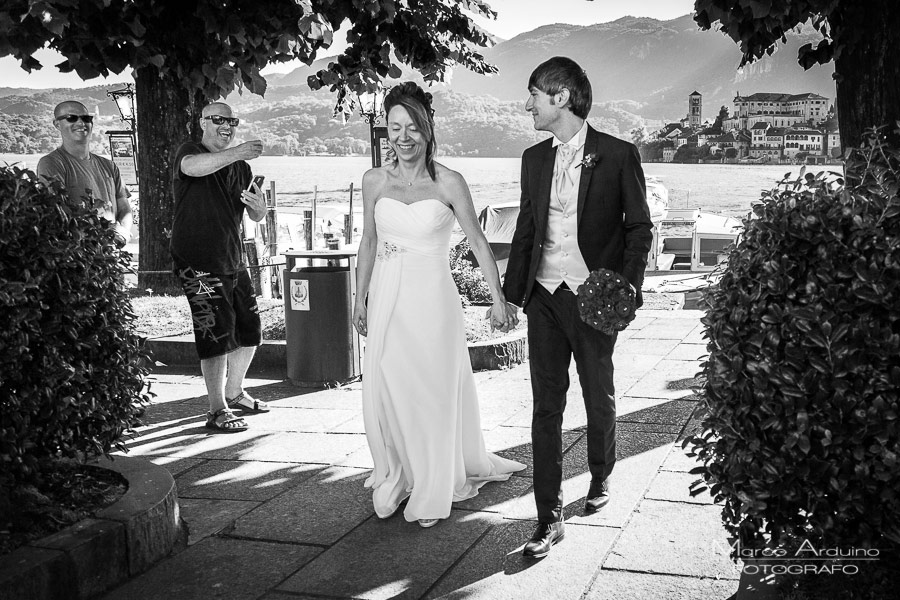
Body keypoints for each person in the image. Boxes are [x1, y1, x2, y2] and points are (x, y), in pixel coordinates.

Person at [352, 82, 525, 528]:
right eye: (394, 128)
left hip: (433, 298)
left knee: (430, 390)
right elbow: (368, 243)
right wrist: (360, 300)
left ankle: (433, 482)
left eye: (412, 127)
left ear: (427, 129)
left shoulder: (449, 181)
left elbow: (479, 241)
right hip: (388, 294)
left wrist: (498, 299)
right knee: (391, 387)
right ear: (385, 131)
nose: (403, 137)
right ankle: (401, 471)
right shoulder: (374, 180)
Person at [503, 57, 654, 558]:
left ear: (561, 97)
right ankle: (548, 516)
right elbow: (527, 228)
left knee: (598, 396)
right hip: (544, 298)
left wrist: (625, 287)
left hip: (594, 298)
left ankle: (601, 473)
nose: (527, 104)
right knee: (546, 406)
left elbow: (639, 228)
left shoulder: (617, 154)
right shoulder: (532, 159)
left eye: (534, 95)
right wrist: (509, 296)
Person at [170, 102, 271, 433]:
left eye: (232, 121)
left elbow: (252, 216)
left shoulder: (240, 168)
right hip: (197, 261)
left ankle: (235, 391)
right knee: (214, 332)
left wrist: (261, 210)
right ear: (202, 122)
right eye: (218, 120)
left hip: (232, 258)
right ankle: (217, 409)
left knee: (250, 328)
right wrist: (238, 151)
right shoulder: (191, 151)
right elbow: (192, 168)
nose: (226, 125)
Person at [37, 100, 132, 248]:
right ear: (56, 124)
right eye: (72, 118)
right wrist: (111, 231)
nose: (81, 123)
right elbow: (60, 212)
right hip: (78, 258)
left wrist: (123, 233)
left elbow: (124, 207)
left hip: (110, 258)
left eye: (86, 118)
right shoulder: (51, 163)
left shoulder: (109, 166)